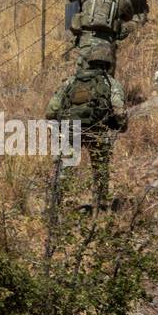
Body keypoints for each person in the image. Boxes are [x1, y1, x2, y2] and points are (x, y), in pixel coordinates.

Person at [45, 41, 127, 210]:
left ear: (89, 60)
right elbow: (119, 110)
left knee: (65, 167)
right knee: (100, 168)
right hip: (97, 130)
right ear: (108, 62)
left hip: (71, 129)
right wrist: (121, 126)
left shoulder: (71, 81)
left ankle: (55, 205)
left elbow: (51, 110)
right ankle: (100, 206)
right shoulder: (111, 83)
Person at [65, 0, 134, 69]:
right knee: (107, 73)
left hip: (86, 40)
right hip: (108, 42)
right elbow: (129, 16)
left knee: (83, 72)